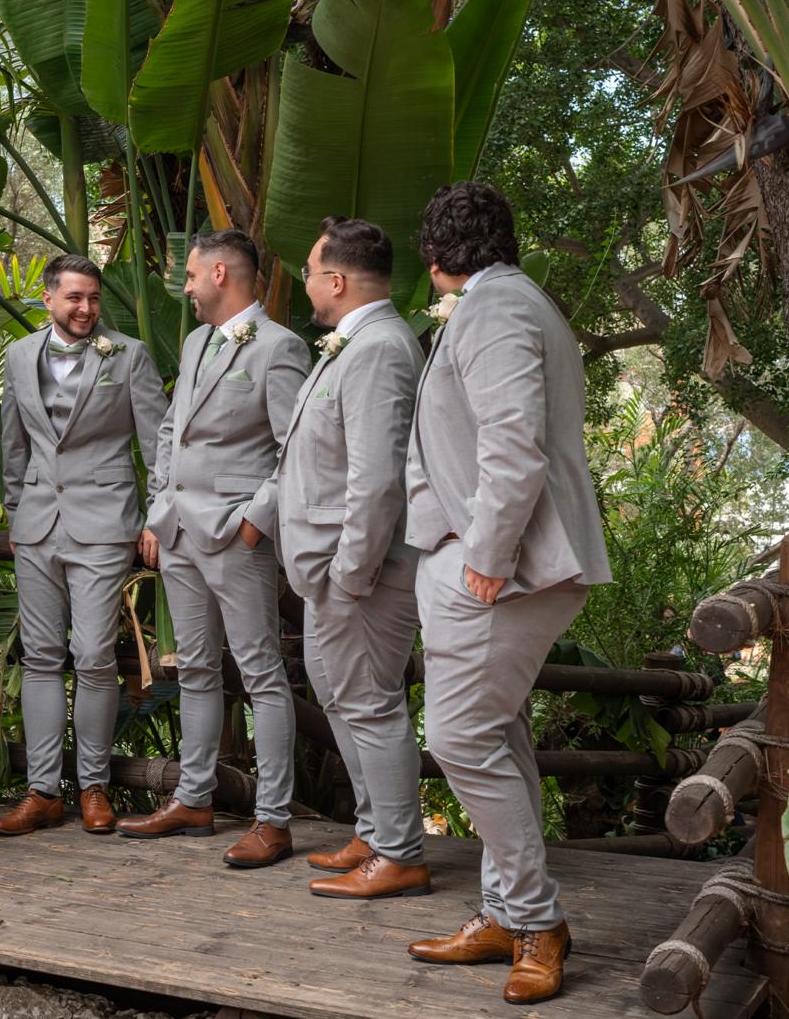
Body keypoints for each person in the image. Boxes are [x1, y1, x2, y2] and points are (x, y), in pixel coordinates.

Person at [402, 182, 611, 1004]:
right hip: (496, 560)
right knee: (499, 739)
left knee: (457, 739)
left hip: (503, 567)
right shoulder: (519, 300)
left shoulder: (492, 310)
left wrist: (484, 554)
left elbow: (514, 446)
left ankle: (535, 921)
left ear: (435, 255)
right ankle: (500, 913)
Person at [124, 230, 309, 867]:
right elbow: (171, 432)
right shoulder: (198, 341)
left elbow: (297, 450)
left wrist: (256, 520)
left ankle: (274, 820)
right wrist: (157, 512)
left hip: (236, 536)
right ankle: (194, 798)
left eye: (194, 275)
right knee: (196, 671)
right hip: (177, 534)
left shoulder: (281, 349)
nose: (187, 287)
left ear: (223, 273)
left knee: (262, 676)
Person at [274, 217, 428, 899]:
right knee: (341, 698)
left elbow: (377, 477)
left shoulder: (381, 349)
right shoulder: (353, 344)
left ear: (335, 281)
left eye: (309, 272)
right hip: (326, 568)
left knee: (369, 703)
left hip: (359, 570)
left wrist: (350, 572)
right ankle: (374, 829)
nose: (307, 284)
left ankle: (400, 852)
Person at [0, 254, 168, 835]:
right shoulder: (19, 356)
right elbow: (13, 443)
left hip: (104, 523)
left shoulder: (129, 355)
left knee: (92, 656)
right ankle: (42, 792)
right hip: (38, 524)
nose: (86, 309)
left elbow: (156, 441)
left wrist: (156, 517)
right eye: (74, 298)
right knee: (41, 658)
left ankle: (93, 786)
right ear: (48, 299)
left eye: (92, 298)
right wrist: (17, 514)